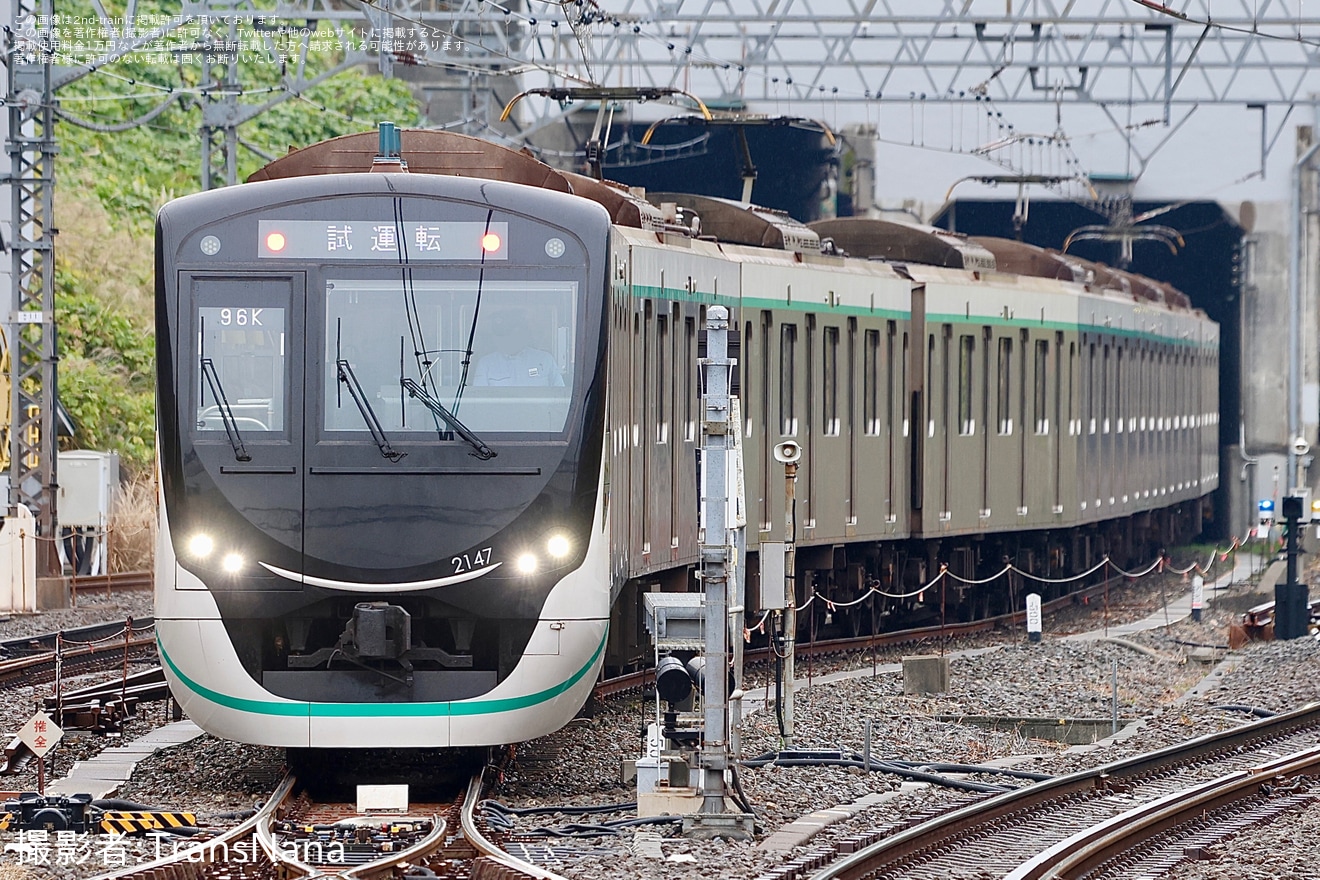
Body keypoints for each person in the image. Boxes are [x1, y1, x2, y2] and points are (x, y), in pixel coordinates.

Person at [472, 311, 564, 387]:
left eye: (511, 333)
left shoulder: (545, 360)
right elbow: (479, 398)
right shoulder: (486, 364)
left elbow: (560, 395)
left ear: (522, 333)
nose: (507, 339)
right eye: (502, 336)